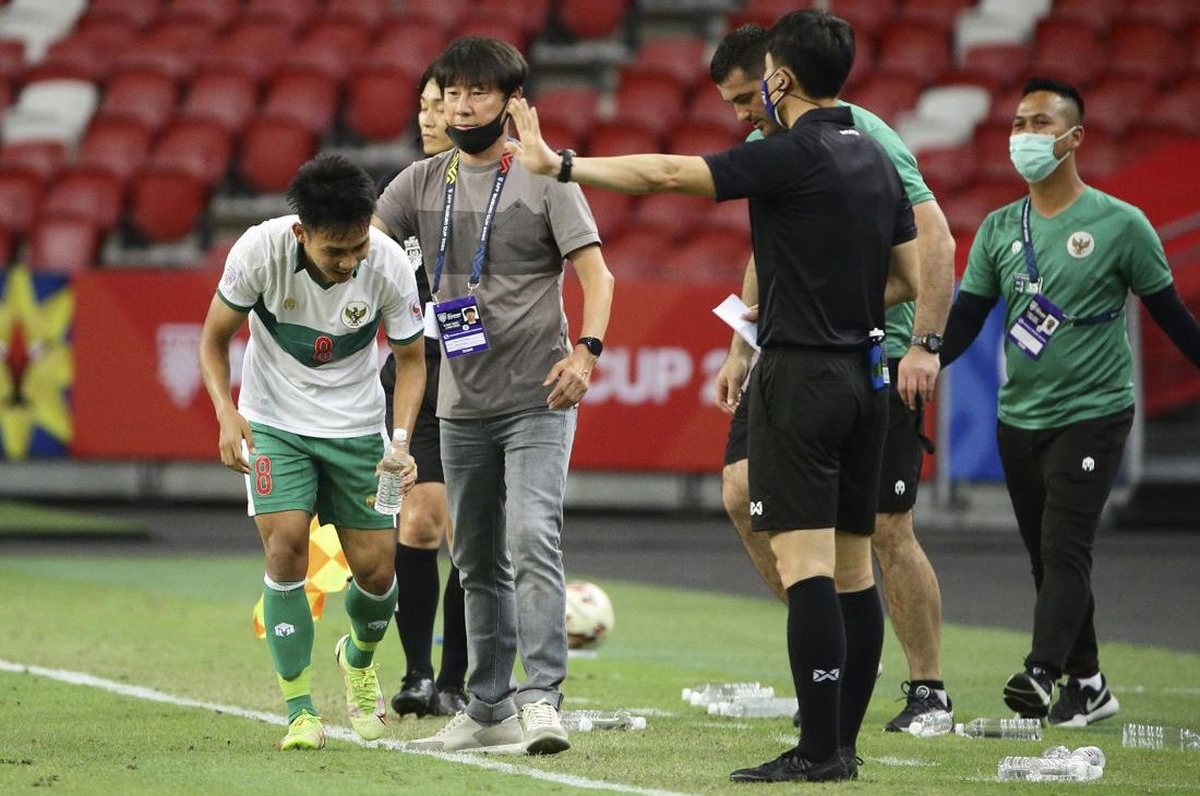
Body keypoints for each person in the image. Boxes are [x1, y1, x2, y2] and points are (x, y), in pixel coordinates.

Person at [506, 9, 920, 782]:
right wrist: (839, 291)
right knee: (856, 567)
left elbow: (668, 174)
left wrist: (560, 165)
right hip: (869, 374)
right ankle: (846, 744)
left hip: (802, 376)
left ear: (781, 78)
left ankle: (819, 749)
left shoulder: (788, 154)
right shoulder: (878, 157)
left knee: (806, 571)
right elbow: (908, 279)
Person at [707, 23, 955, 732]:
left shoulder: (862, 134)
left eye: (740, 98)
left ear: (775, 75)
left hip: (874, 350)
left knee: (885, 526)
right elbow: (771, 246)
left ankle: (929, 688)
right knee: (739, 487)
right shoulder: (770, 144)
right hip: (789, 349)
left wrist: (926, 346)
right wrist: (739, 346)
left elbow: (933, 236)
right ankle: (833, 653)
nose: (738, 117)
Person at [373, 36, 615, 754]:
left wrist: (588, 350)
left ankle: (541, 699)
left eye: (476, 92)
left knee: (532, 537)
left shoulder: (545, 176)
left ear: (512, 104)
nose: (459, 105)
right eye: (449, 93)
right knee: (474, 559)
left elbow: (598, 277)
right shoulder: (421, 182)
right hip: (460, 402)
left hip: (539, 393)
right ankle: (485, 708)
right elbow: (362, 246)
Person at [940, 77, 1200, 727]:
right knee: (1047, 556)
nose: (1025, 136)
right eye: (1019, 124)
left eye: (1041, 124)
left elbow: (1172, 317)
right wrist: (916, 359)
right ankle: (1089, 684)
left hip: (1095, 412)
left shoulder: (1121, 225)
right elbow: (966, 322)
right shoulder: (1001, 228)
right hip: (1018, 416)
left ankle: (1041, 672)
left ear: (1074, 138)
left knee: (1064, 547)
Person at [197, 154, 426, 750]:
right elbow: (214, 340)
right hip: (275, 423)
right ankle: (300, 709)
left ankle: (358, 657)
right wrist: (228, 413)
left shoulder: (390, 264)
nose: (350, 261)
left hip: (356, 429)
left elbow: (410, 362)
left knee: (378, 572)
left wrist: (400, 444)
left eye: (358, 247)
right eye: (336, 252)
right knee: (286, 548)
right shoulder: (258, 251)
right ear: (301, 233)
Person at [379, 66, 469, 720]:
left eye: (440, 106)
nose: (427, 118)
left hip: (479, 374)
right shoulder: (408, 189)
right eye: (423, 106)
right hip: (418, 373)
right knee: (417, 520)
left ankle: (458, 680)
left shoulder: (495, 187)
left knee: (471, 534)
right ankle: (416, 674)